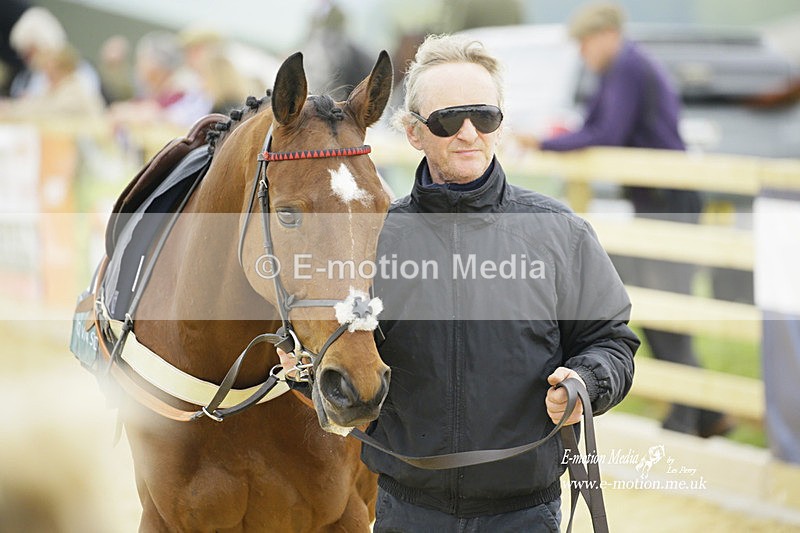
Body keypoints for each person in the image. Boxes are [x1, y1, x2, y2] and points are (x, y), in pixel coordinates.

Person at [282, 33, 639, 531]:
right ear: (413, 132)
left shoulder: (561, 232)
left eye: (484, 117)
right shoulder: (376, 237)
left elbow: (610, 342)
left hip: (524, 511)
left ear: (500, 124)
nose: (469, 133)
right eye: (448, 121)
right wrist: (307, 369)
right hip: (407, 508)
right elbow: (346, 347)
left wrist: (584, 383)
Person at [517, 1, 734, 439]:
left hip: (669, 201)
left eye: (585, 43)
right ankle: (703, 414)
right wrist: (560, 137)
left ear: (606, 36)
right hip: (655, 199)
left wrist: (544, 143)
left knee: (668, 308)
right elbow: (596, 124)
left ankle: (689, 415)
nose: (582, 53)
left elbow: (605, 133)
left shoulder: (628, 68)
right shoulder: (621, 69)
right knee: (656, 309)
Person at [108, 31, 212, 128]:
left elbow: (167, 117)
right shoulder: (155, 93)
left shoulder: (183, 92)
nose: (138, 66)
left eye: (142, 60)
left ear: (156, 66)